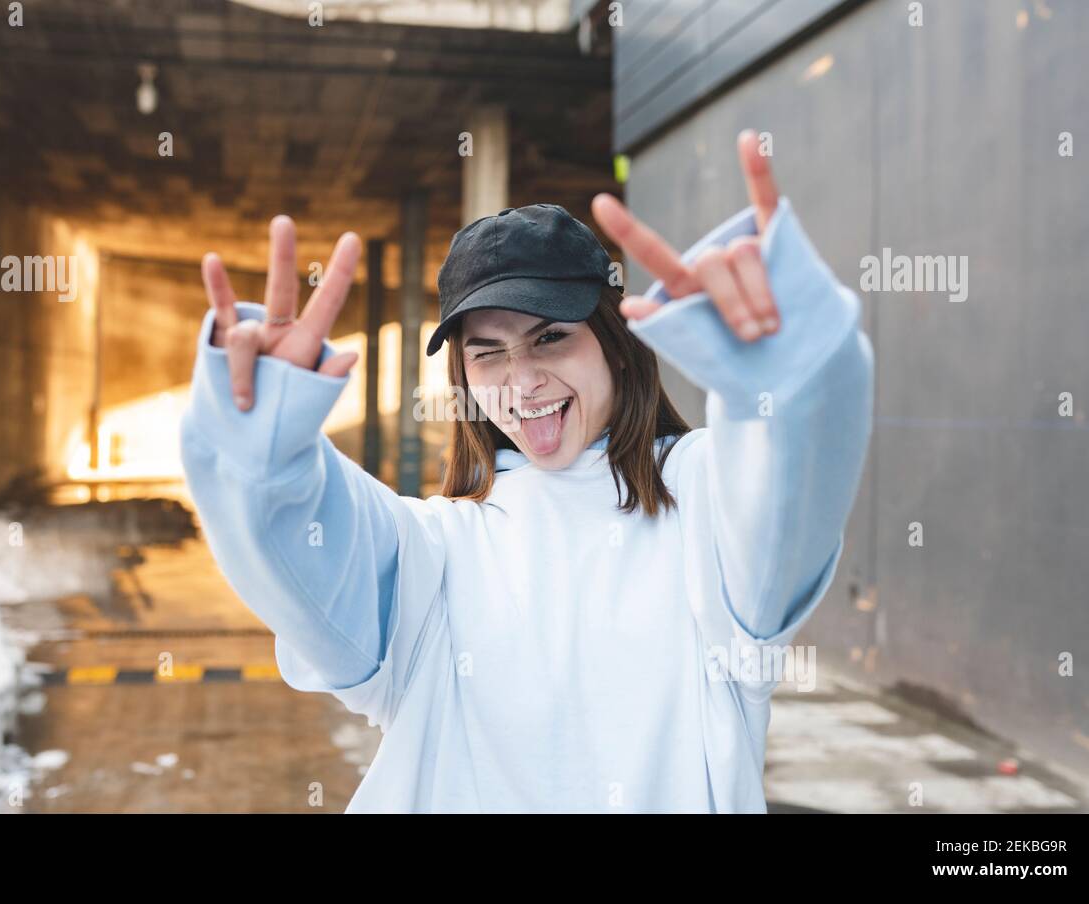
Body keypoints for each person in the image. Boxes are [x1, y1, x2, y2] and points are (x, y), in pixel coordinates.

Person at [179, 130, 874, 812]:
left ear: (616, 344)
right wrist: (259, 456)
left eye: (551, 337)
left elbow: (789, 488)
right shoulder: (434, 552)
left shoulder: (700, 503)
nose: (522, 382)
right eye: (487, 353)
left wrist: (787, 385)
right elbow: (302, 548)